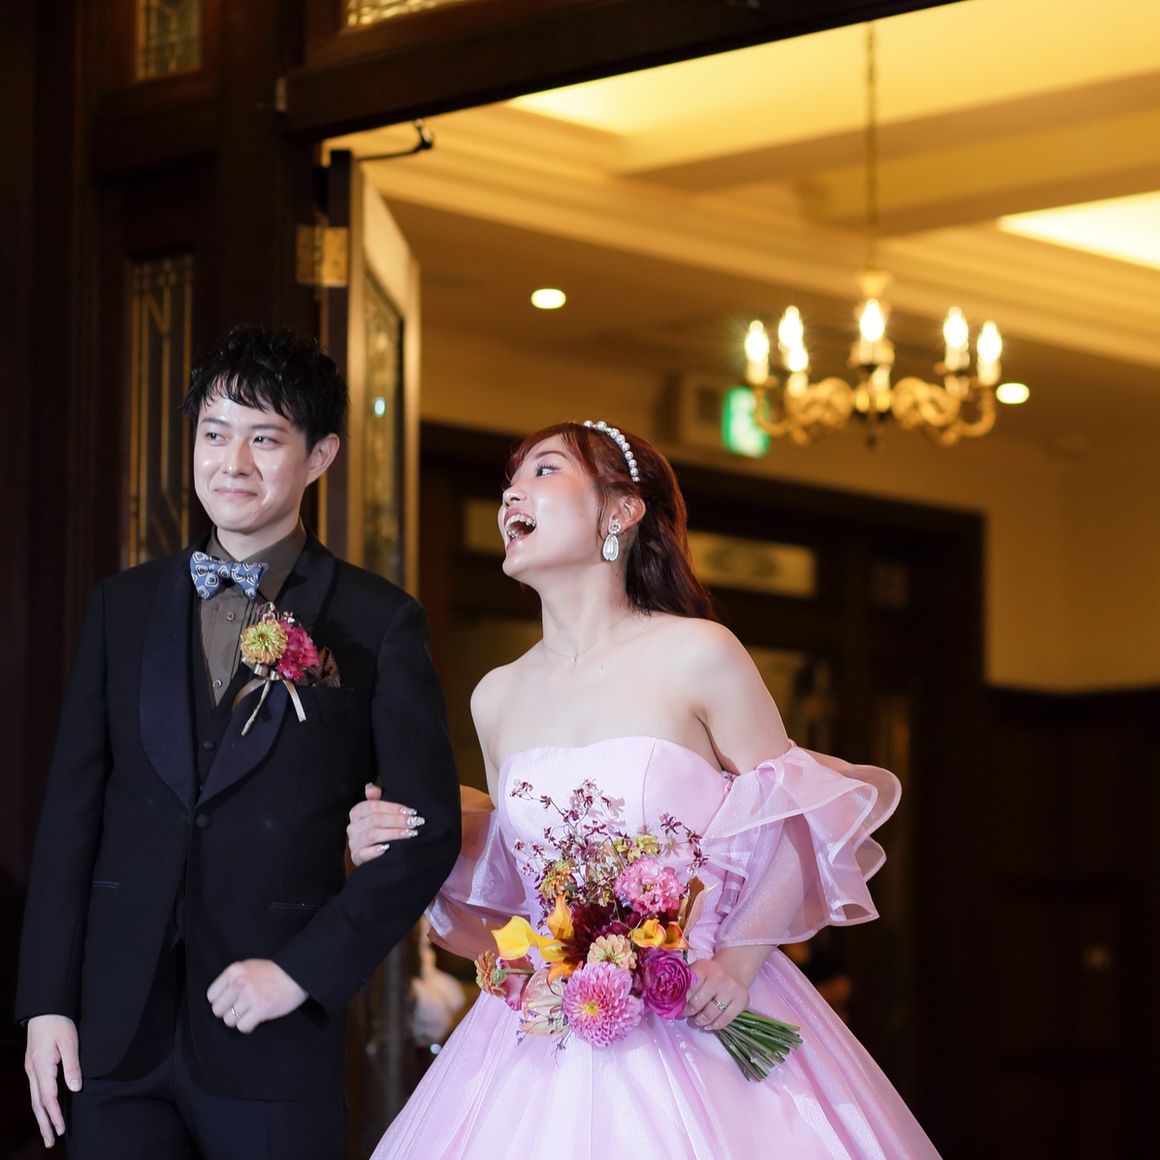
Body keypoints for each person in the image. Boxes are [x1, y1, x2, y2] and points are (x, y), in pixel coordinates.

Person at [348, 420, 942, 1158]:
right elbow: (521, 871)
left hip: (702, 1007)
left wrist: (738, 963)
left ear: (623, 510)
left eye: (544, 471)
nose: (511, 495)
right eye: (509, 481)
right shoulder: (495, 695)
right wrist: (404, 836)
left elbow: (796, 810)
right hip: (549, 1035)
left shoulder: (698, 653)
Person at [16, 324, 461, 1158]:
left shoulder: (377, 621)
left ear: (320, 456)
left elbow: (426, 831)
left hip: (274, 1034)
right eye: (215, 435)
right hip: (113, 1034)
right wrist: (47, 1000)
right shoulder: (121, 607)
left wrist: (302, 971)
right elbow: (73, 814)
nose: (233, 464)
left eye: (265, 439)